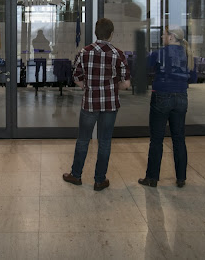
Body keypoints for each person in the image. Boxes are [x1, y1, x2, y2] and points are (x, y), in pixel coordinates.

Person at [63, 18, 131, 191]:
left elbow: (76, 77)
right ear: (111, 34)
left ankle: (76, 175)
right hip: (110, 104)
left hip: (90, 103)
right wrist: (112, 86)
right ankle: (99, 180)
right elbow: (126, 84)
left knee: (83, 140)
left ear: (95, 33)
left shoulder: (84, 52)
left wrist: (88, 86)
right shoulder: (118, 54)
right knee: (105, 141)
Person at [139, 25, 196, 188]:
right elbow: (193, 77)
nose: (162, 37)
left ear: (171, 37)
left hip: (161, 97)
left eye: (164, 35)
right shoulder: (188, 54)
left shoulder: (159, 53)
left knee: (156, 139)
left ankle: (152, 178)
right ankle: (181, 178)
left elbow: (143, 67)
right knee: (179, 138)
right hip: (181, 98)